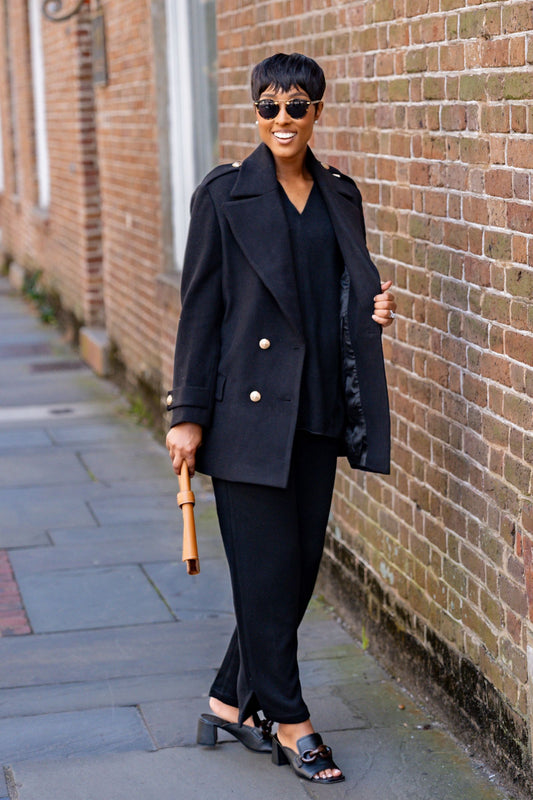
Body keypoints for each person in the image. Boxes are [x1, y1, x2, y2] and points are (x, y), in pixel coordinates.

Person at [166, 52, 396, 785]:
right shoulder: (224, 197)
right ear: (253, 113)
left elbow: (338, 292)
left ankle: (228, 699)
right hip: (248, 419)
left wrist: (371, 310)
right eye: (268, 106)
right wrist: (187, 414)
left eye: (296, 106)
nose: (282, 120)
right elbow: (200, 311)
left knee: (292, 574)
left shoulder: (339, 195)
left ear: (317, 112)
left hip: (320, 409)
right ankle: (290, 719)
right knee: (268, 575)